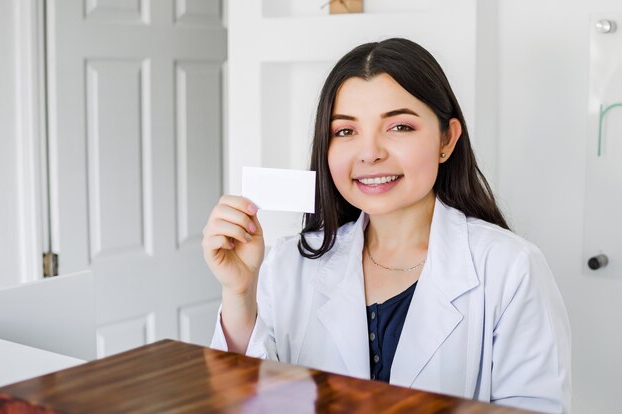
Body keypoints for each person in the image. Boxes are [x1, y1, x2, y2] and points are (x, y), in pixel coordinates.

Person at [202, 38, 571, 413]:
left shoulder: (510, 267)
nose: (370, 152)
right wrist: (239, 294)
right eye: (345, 131)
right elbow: (247, 403)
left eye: (399, 127)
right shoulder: (288, 263)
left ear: (447, 140)